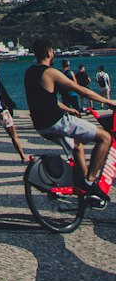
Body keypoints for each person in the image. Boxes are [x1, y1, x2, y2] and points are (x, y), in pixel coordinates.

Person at [24, 37, 115, 198]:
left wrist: (69, 109)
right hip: (56, 122)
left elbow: (46, 100)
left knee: (77, 147)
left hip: (41, 125)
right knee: (105, 138)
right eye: (52, 52)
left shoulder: (30, 72)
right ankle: (89, 183)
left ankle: (84, 187)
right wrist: (108, 102)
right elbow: (82, 91)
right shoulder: (50, 72)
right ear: (49, 52)